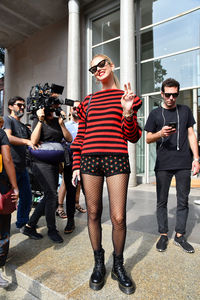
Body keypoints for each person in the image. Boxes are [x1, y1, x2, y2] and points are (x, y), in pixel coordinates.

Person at [71, 54, 142, 294]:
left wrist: (128, 112)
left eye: (102, 64)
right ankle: (99, 263)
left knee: (119, 217)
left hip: (116, 159)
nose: (98, 69)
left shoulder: (126, 97)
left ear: (112, 65)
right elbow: (80, 136)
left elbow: (132, 136)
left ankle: (118, 265)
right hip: (89, 160)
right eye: (93, 68)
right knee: (92, 213)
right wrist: (75, 164)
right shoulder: (87, 101)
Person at [144, 78, 199, 253]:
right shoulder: (155, 114)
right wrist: (160, 133)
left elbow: (191, 135)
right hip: (163, 163)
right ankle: (163, 235)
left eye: (175, 95)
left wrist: (196, 159)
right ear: (162, 94)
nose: (171, 98)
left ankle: (180, 236)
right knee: (162, 201)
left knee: (183, 201)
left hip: (183, 162)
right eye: (167, 94)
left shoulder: (185, 111)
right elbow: (147, 138)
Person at [22, 98, 72, 243]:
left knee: (49, 195)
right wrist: (41, 120)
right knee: (51, 194)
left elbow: (68, 139)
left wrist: (62, 124)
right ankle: (52, 230)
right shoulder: (39, 120)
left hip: (54, 163)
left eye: (57, 106)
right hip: (40, 163)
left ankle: (30, 225)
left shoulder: (58, 122)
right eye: (54, 106)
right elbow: (33, 140)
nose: (56, 108)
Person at [3, 97, 33, 230]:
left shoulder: (22, 125)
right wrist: (26, 141)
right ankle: (4, 230)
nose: (22, 108)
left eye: (23, 106)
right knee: (7, 200)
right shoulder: (7, 120)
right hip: (10, 168)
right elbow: (8, 137)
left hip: (22, 167)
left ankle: (22, 224)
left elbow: (33, 139)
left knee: (26, 197)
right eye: (19, 105)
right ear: (10, 106)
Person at [0, 126, 19, 288]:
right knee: (2, 228)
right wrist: (15, 187)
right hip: (1, 188)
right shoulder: (0, 133)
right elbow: (7, 159)